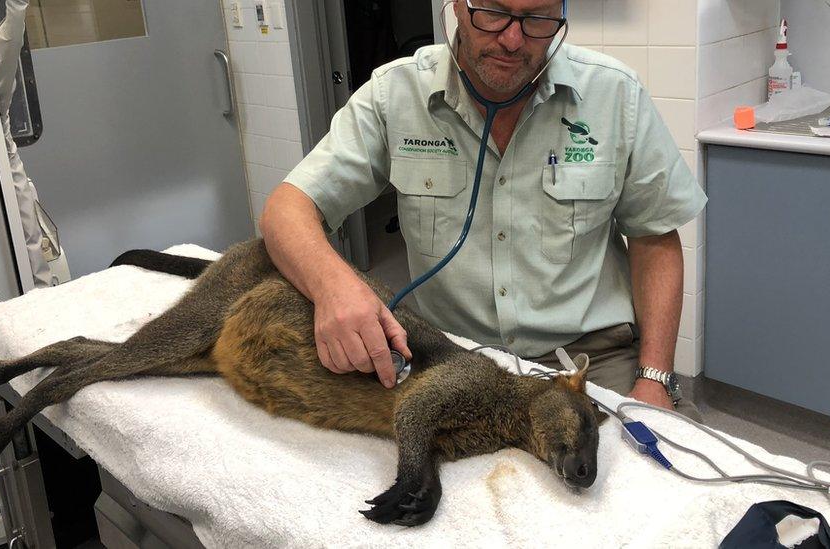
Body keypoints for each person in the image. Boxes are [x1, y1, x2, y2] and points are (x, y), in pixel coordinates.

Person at [259, 0, 707, 413]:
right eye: (492, 12)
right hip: (453, 355)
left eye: (538, 19)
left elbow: (655, 236)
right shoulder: (394, 94)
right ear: (456, 4)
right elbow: (286, 209)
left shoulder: (615, 95)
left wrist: (655, 379)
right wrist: (333, 286)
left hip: (591, 356)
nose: (513, 40)